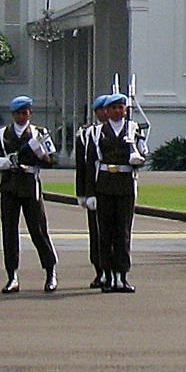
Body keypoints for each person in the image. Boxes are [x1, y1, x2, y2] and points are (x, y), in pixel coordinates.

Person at [0, 96, 59, 293]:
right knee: (9, 232)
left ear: (30, 113)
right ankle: (12, 276)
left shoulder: (40, 133)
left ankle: (50, 271)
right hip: (10, 185)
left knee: (38, 230)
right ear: (13, 114)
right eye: (18, 113)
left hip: (30, 185)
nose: (21, 116)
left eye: (25, 112)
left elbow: (51, 161)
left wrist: (40, 154)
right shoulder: (1, 134)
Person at [88, 93, 148, 292]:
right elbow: (91, 163)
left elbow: (143, 153)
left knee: (123, 232)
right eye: (113, 108)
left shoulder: (133, 129)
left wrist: (138, 158)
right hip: (104, 184)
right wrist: (89, 194)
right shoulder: (97, 132)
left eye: (120, 107)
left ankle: (122, 275)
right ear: (107, 110)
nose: (116, 111)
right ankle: (108, 274)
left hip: (124, 184)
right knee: (105, 232)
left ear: (125, 109)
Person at [74, 97, 107, 287]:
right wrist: (83, 194)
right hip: (94, 188)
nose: (104, 113)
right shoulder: (87, 135)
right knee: (96, 233)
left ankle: (114, 270)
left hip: (113, 187)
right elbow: (83, 166)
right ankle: (99, 269)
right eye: (100, 110)